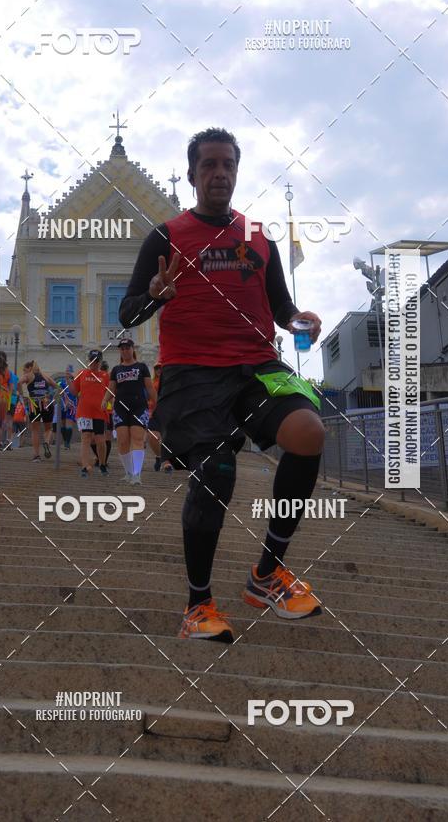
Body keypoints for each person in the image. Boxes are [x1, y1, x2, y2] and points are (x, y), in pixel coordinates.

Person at [119, 127, 324, 642]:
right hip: (191, 371)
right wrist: (155, 295)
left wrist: (300, 321)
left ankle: (267, 574)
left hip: (257, 367)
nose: (219, 173)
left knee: (309, 432)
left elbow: (281, 308)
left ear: (236, 171)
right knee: (217, 470)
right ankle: (198, 605)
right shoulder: (166, 236)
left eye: (227, 164)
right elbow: (128, 313)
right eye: (208, 165)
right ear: (192, 175)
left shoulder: (257, 234)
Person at [107, 339, 156, 485]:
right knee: (122, 441)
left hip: (139, 407)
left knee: (137, 439)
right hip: (120, 408)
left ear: (132, 349)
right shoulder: (116, 369)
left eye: (127, 348)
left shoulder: (141, 367)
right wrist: (105, 400)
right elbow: (111, 388)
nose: (125, 350)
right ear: (120, 351)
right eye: (122, 348)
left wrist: (157, 403)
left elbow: (150, 387)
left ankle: (137, 474)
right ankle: (128, 472)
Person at [70, 350, 110, 477]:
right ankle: (84, 467)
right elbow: (74, 392)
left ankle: (102, 464)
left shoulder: (105, 375)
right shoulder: (82, 373)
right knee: (86, 437)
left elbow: (110, 393)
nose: (94, 363)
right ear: (89, 360)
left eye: (97, 360)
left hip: (99, 412)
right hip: (84, 411)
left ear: (100, 361)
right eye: (92, 360)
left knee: (100, 440)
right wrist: (69, 381)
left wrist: (108, 403)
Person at [18, 361, 57, 461]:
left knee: (35, 430)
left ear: (30, 367)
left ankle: (36, 456)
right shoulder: (45, 376)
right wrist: (53, 396)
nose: (23, 372)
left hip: (34, 404)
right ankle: (47, 443)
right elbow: (57, 386)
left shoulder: (28, 376)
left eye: (24, 369)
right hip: (47, 403)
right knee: (48, 429)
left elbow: (19, 382)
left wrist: (22, 394)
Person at [146, 363, 172, 473]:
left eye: (160, 368)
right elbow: (147, 397)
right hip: (154, 413)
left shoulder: (170, 382)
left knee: (167, 438)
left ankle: (166, 462)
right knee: (153, 437)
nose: (158, 370)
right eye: (156, 368)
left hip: (167, 413)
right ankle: (159, 456)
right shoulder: (152, 383)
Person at [54, 364, 78, 450]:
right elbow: (57, 391)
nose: (67, 373)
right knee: (63, 424)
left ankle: (67, 443)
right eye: (66, 371)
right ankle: (65, 441)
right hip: (63, 405)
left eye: (69, 372)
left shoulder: (75, 382)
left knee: (69, 423)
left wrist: (71, 376)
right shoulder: (62, 383)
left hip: (71, 405)